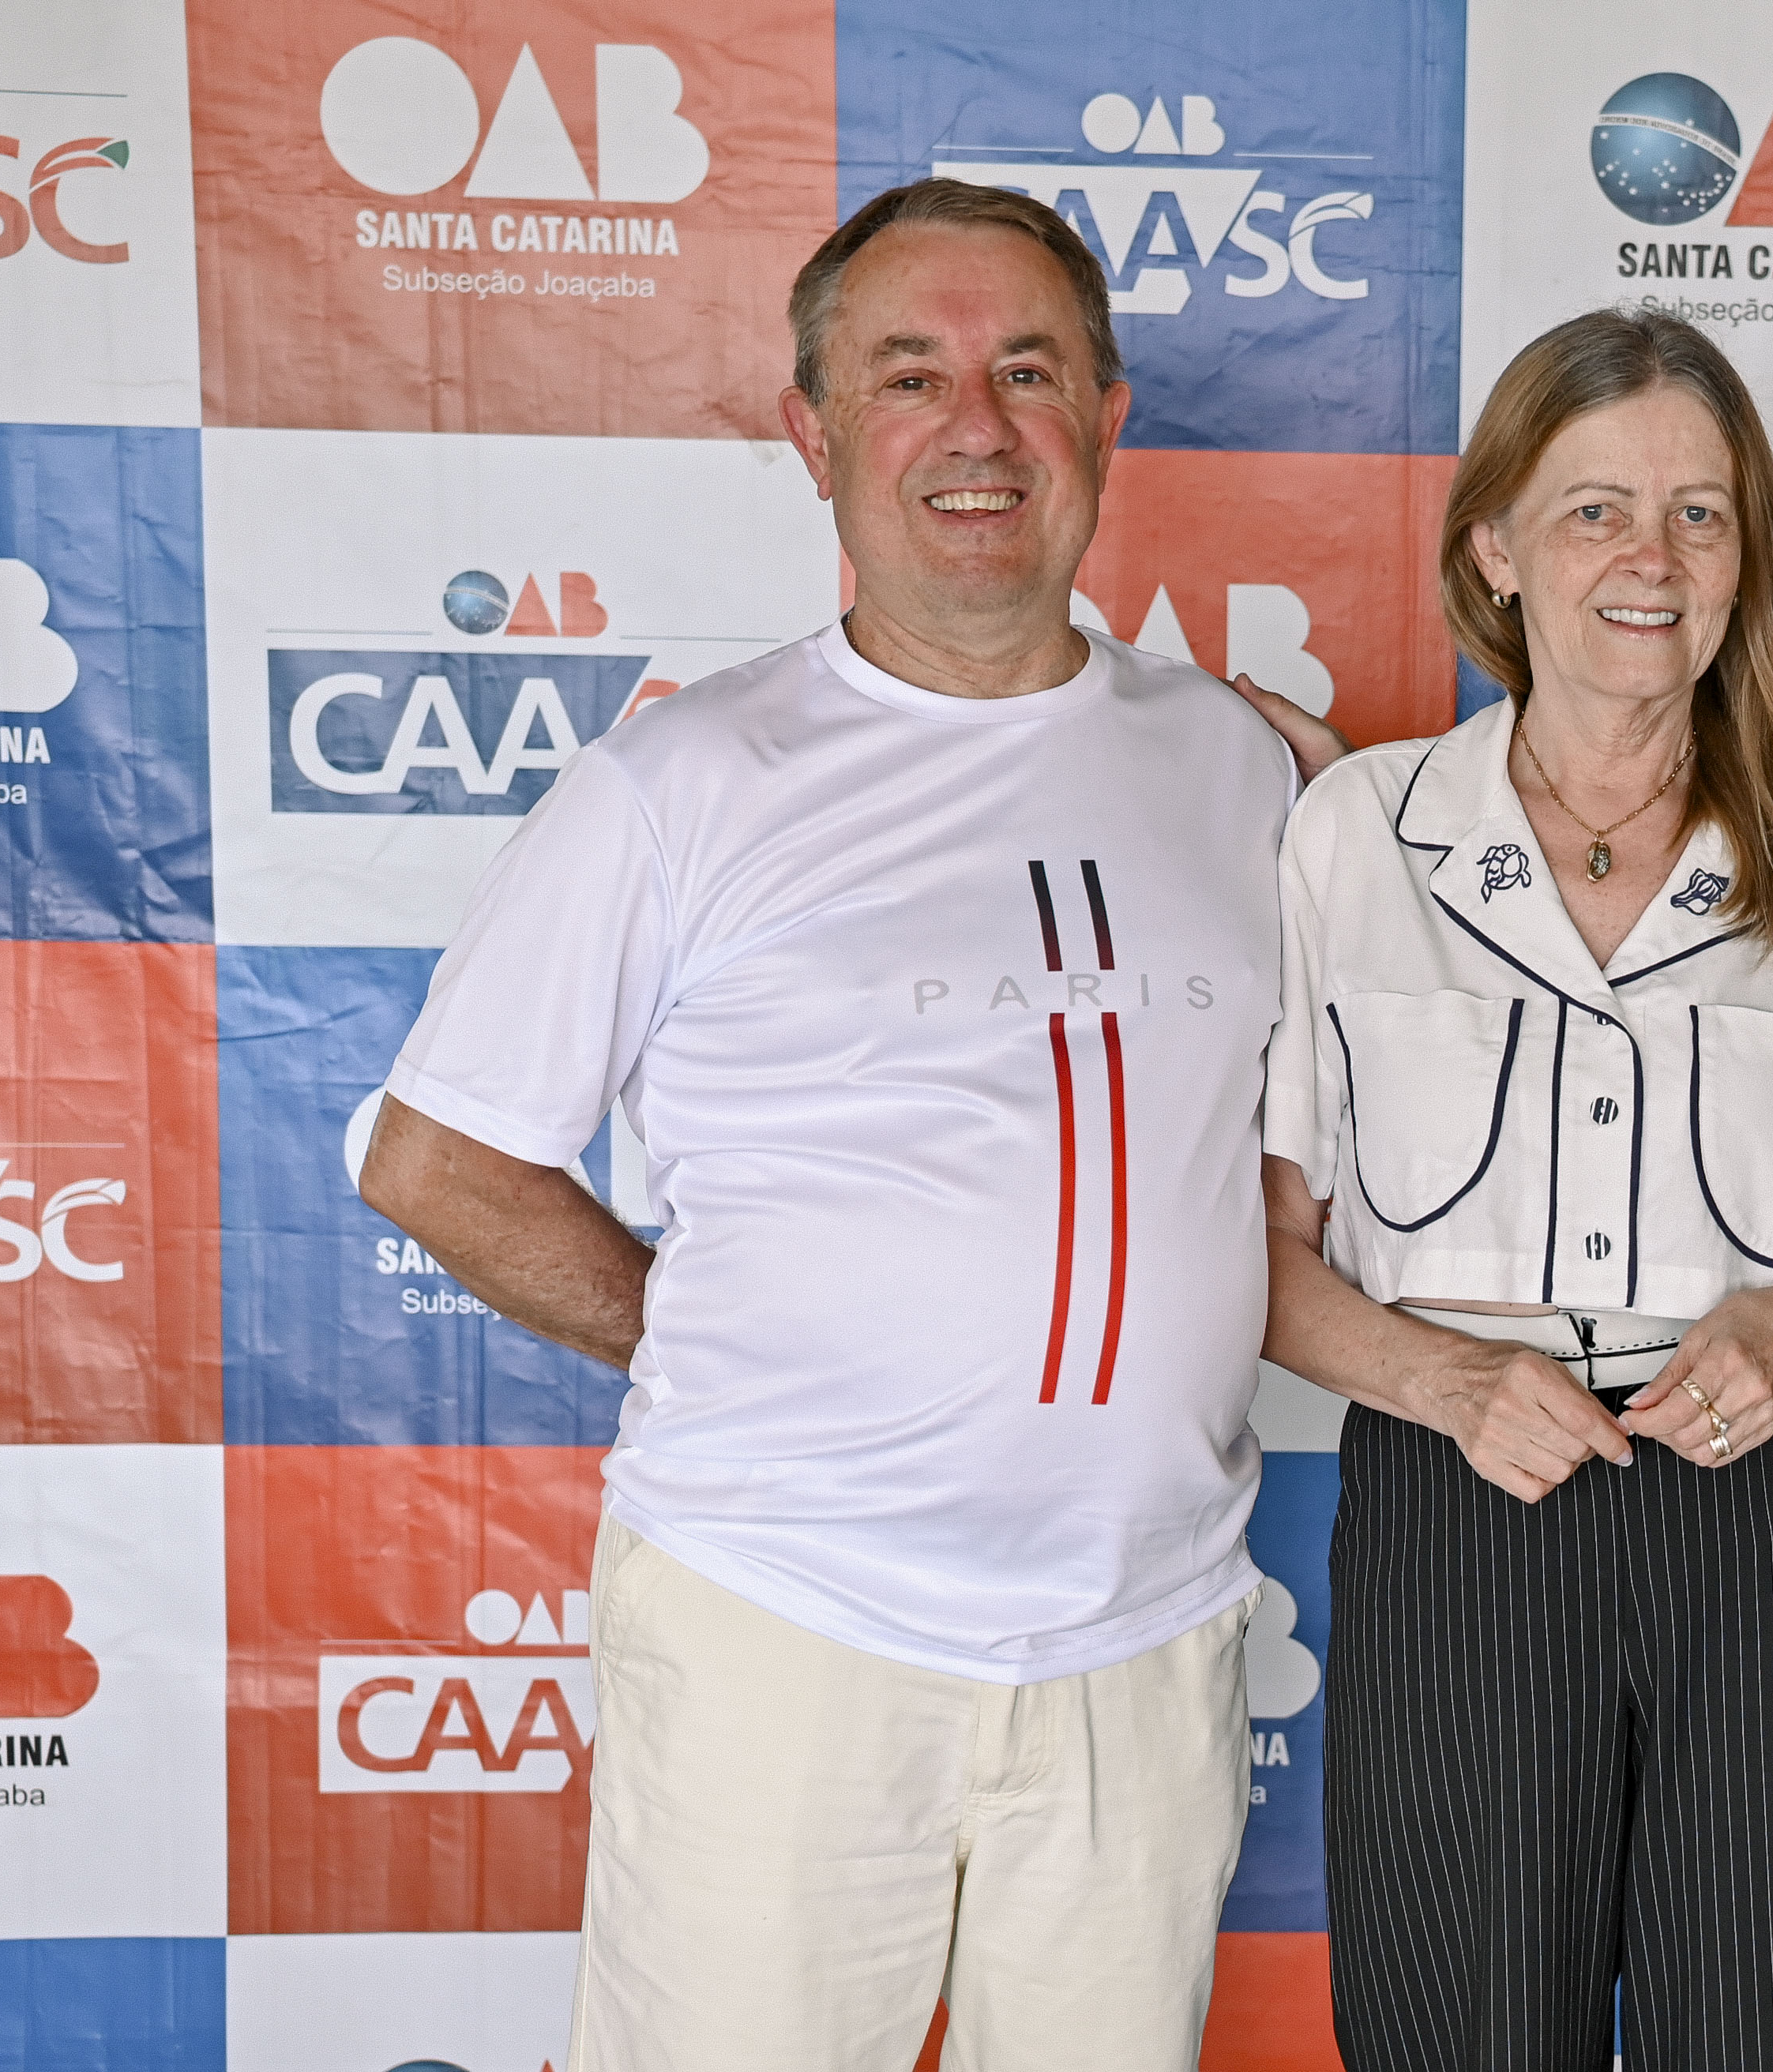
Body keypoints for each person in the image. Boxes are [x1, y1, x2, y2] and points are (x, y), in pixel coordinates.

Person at [361, 178, 1336, 2072]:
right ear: (814, 435)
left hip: (1141, 1655)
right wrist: (712, 1335)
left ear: (1108, 419)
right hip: (785, 1635)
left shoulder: (1246, 765)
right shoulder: (684, 781)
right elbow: (442, 1160)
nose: (978, 427)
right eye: (909, 376)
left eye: (1029, 372)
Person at [1257, 308, 1773, 2072]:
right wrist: (1445, 1379)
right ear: (1494, 548)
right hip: (1460, 1507)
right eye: (1594, 510)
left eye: (1698, 514)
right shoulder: (1355, 835)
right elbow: (1264, 1260)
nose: (1650, 558)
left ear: (1745, 560)